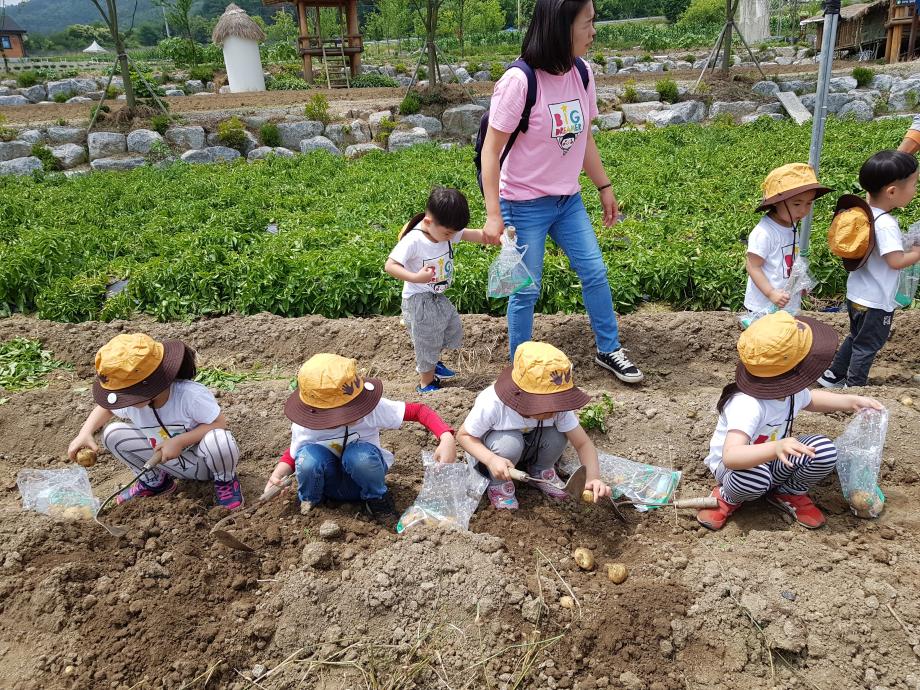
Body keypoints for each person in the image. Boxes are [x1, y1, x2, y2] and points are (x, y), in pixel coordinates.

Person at [478, 0, 643, 383]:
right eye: (588, 23)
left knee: (595, 271)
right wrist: (492, 213)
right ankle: (521, 368)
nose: (593, 31)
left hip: (568, 201)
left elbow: (583, 137)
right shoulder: (520, 82)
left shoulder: (582, 73)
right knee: (525, 289)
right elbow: (491, 150)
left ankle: (609, 348)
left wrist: (604, 185)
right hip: (523, 204)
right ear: (561, 26)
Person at [697, 312, 884, 531]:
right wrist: (776, 446)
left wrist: (851, 401)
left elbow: (812, 399)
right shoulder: (747, 404)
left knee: (824, 450)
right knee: (755, 477)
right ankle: (727, 496)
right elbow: (732, 457)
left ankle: (789, 491)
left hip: (774, 462)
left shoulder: (790, 391)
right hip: (737, 469)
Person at [262, 353, 457, 526]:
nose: (357, 412)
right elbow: (295, 451)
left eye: (356, 405)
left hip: (363, 481)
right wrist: (277, 476)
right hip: (325, 486)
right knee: (308, 459)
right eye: (347, 410)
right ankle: (311, 504)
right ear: (320, 413)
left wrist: (446, 436)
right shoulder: (306, 424)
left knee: (360, 456)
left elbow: (419, 411)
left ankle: (377, 501)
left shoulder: (372, 409)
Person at [66, 333, 243, 509]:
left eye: (125, 396)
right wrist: (85, 433)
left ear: (150, 385)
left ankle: (225, 481)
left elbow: (220, 424)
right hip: (166, 463)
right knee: (113, 433)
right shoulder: (132, 402)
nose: (123, 402)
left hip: (204, 463)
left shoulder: (190, 396)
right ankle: (155, 482)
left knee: (220, 440)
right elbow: (105, 407)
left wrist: (180, 441)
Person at [456, 341, 611, 510]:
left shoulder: (558, 409)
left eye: (557, 403)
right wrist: (491, 459)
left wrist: (593, 478)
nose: (554, 411)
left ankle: (541, 471)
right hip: (494, 454)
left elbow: (583, 443)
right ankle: (499, 485)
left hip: (529, 449)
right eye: (546, 405)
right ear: (521, 395)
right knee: (509, 443)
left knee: (558, 436)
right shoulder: (492, 403)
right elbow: (463, 436)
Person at [818, 150, 920, 388]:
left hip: (856, 295)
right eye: (914, 184)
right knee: (868, 345)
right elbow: (895, 261)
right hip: (876, 301)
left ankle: (833, 375)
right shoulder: (886, 223)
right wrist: (916, 252)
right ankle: (854, 387)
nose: (915, 190)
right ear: (892, 192)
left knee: (856, 337)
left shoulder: (864, 213)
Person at [385, 187, 486, 393]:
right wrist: (415, 277)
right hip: (418, 299)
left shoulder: (443, 231)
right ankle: (426, 382)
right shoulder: (414, 240)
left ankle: (434, 364)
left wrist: (492, 236)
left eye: (453, 233)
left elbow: (470, 235)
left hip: (435, 295)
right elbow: (390, 265)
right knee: (426, 339)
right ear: (429, 222)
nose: (451, 237)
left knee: (448, 327)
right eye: (448, 233)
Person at [743, 163, 831, 317]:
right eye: (797, 203)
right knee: (765, 339)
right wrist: (771, 293)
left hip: (787, 303)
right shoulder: (764, 232)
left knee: (786, 338)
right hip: (764, 305)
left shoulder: (792, 225)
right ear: (776, 202)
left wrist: (799, 283)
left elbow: (791, 259)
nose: (803, 210)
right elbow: (752, 266)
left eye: (809, 203)